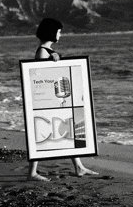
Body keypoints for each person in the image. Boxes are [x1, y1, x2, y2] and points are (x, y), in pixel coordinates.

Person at [27, 17, 98, 181]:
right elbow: (41, 78)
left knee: (70, 129)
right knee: (41, 133)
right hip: (48, 100)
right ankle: (32, 173)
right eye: (59, 32)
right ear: (52, 32)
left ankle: (79, 166)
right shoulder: (43, 52)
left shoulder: (48, 51)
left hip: (57, 98)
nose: (60, 35)